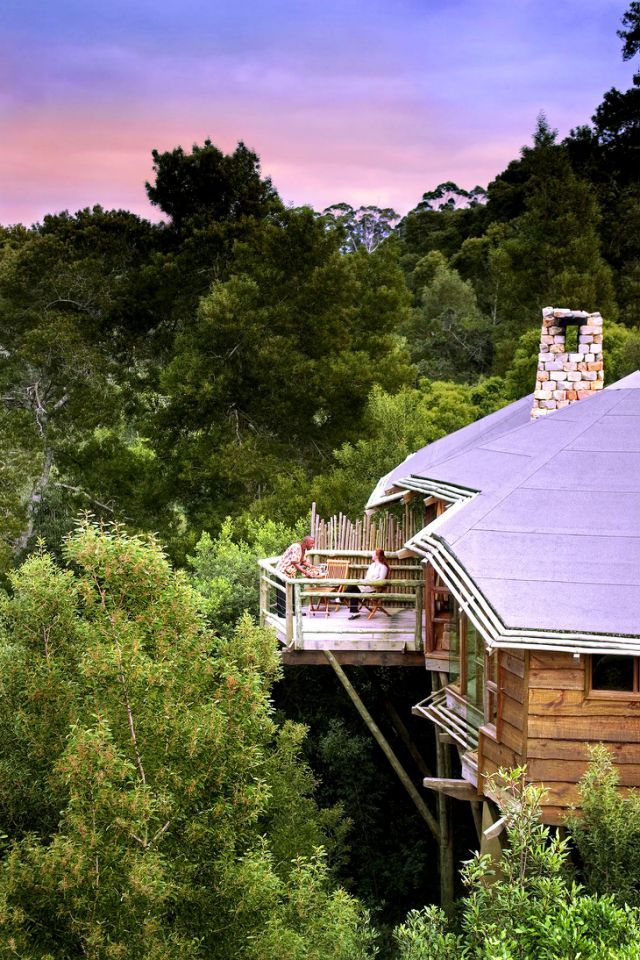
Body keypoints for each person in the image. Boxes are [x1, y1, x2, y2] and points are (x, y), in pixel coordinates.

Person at [275, 536, 316, 617]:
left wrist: (312, 567)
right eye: (312, 543)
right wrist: (305, 572)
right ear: (306, 542)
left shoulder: (303, 549)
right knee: (282, 593)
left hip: (290, 573)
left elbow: (303, 561)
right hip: (282, 571)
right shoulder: (297, 547)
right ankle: (281, 613)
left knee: (293, 593)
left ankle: (295, 611)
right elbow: (294, 562)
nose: (313, 545)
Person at [347, 548, 390, 618]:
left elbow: (381, 580)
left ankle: (341, 598)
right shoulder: (372, 565)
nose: (372, 555)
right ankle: (354, 613)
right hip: (366, 585)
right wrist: (364, 582)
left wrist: (370, 583)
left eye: (373, 554)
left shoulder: (383, 567)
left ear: (377, 556)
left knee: (353, 587)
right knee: (353, 588)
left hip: (374, 588)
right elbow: (367, 577)